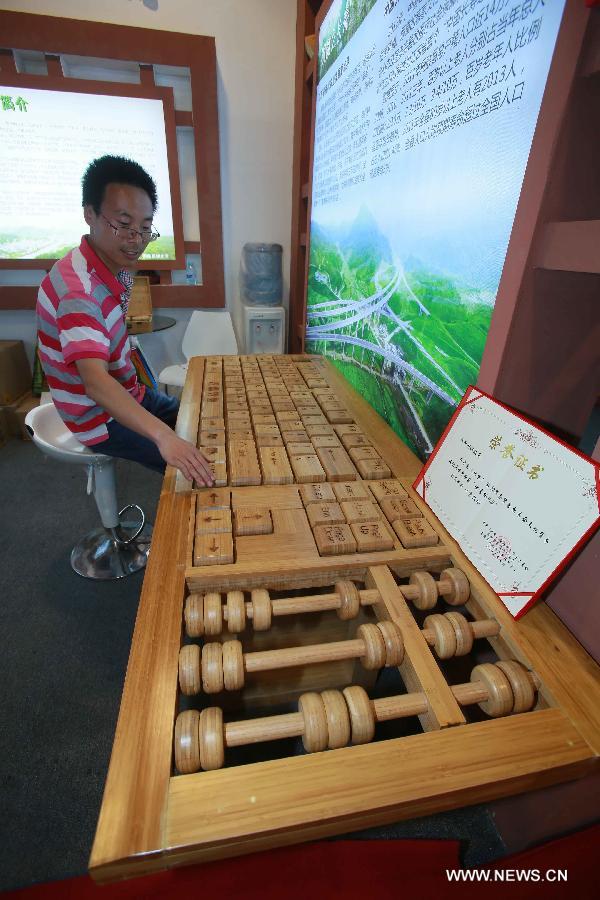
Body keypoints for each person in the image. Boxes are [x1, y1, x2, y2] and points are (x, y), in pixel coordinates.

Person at [36, 154, 214, 486]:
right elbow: (96, 384)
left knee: (205, 421)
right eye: (123, 223)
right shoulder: (80, 291)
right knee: (191, 470)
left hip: (130, 393)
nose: (136, 239)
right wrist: (165, 438)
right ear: (90, 214)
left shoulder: (109, 268)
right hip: (97, 416)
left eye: (145, 228)